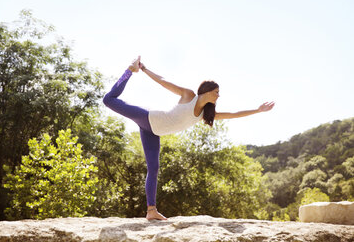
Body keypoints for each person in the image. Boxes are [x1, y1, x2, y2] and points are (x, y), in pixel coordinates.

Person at [103, 56, 275, 220]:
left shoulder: (203, 114)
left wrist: (257, 110)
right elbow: (163, 81)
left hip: (154, 133)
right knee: (108, 100)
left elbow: (232, 114)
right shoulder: (189, 95)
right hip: (149, 118)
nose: (218, 96)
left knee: (153, 169)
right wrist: (144, 69)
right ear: (206, 91)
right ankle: (129, 70)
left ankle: (151, 211)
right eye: (216, 92)